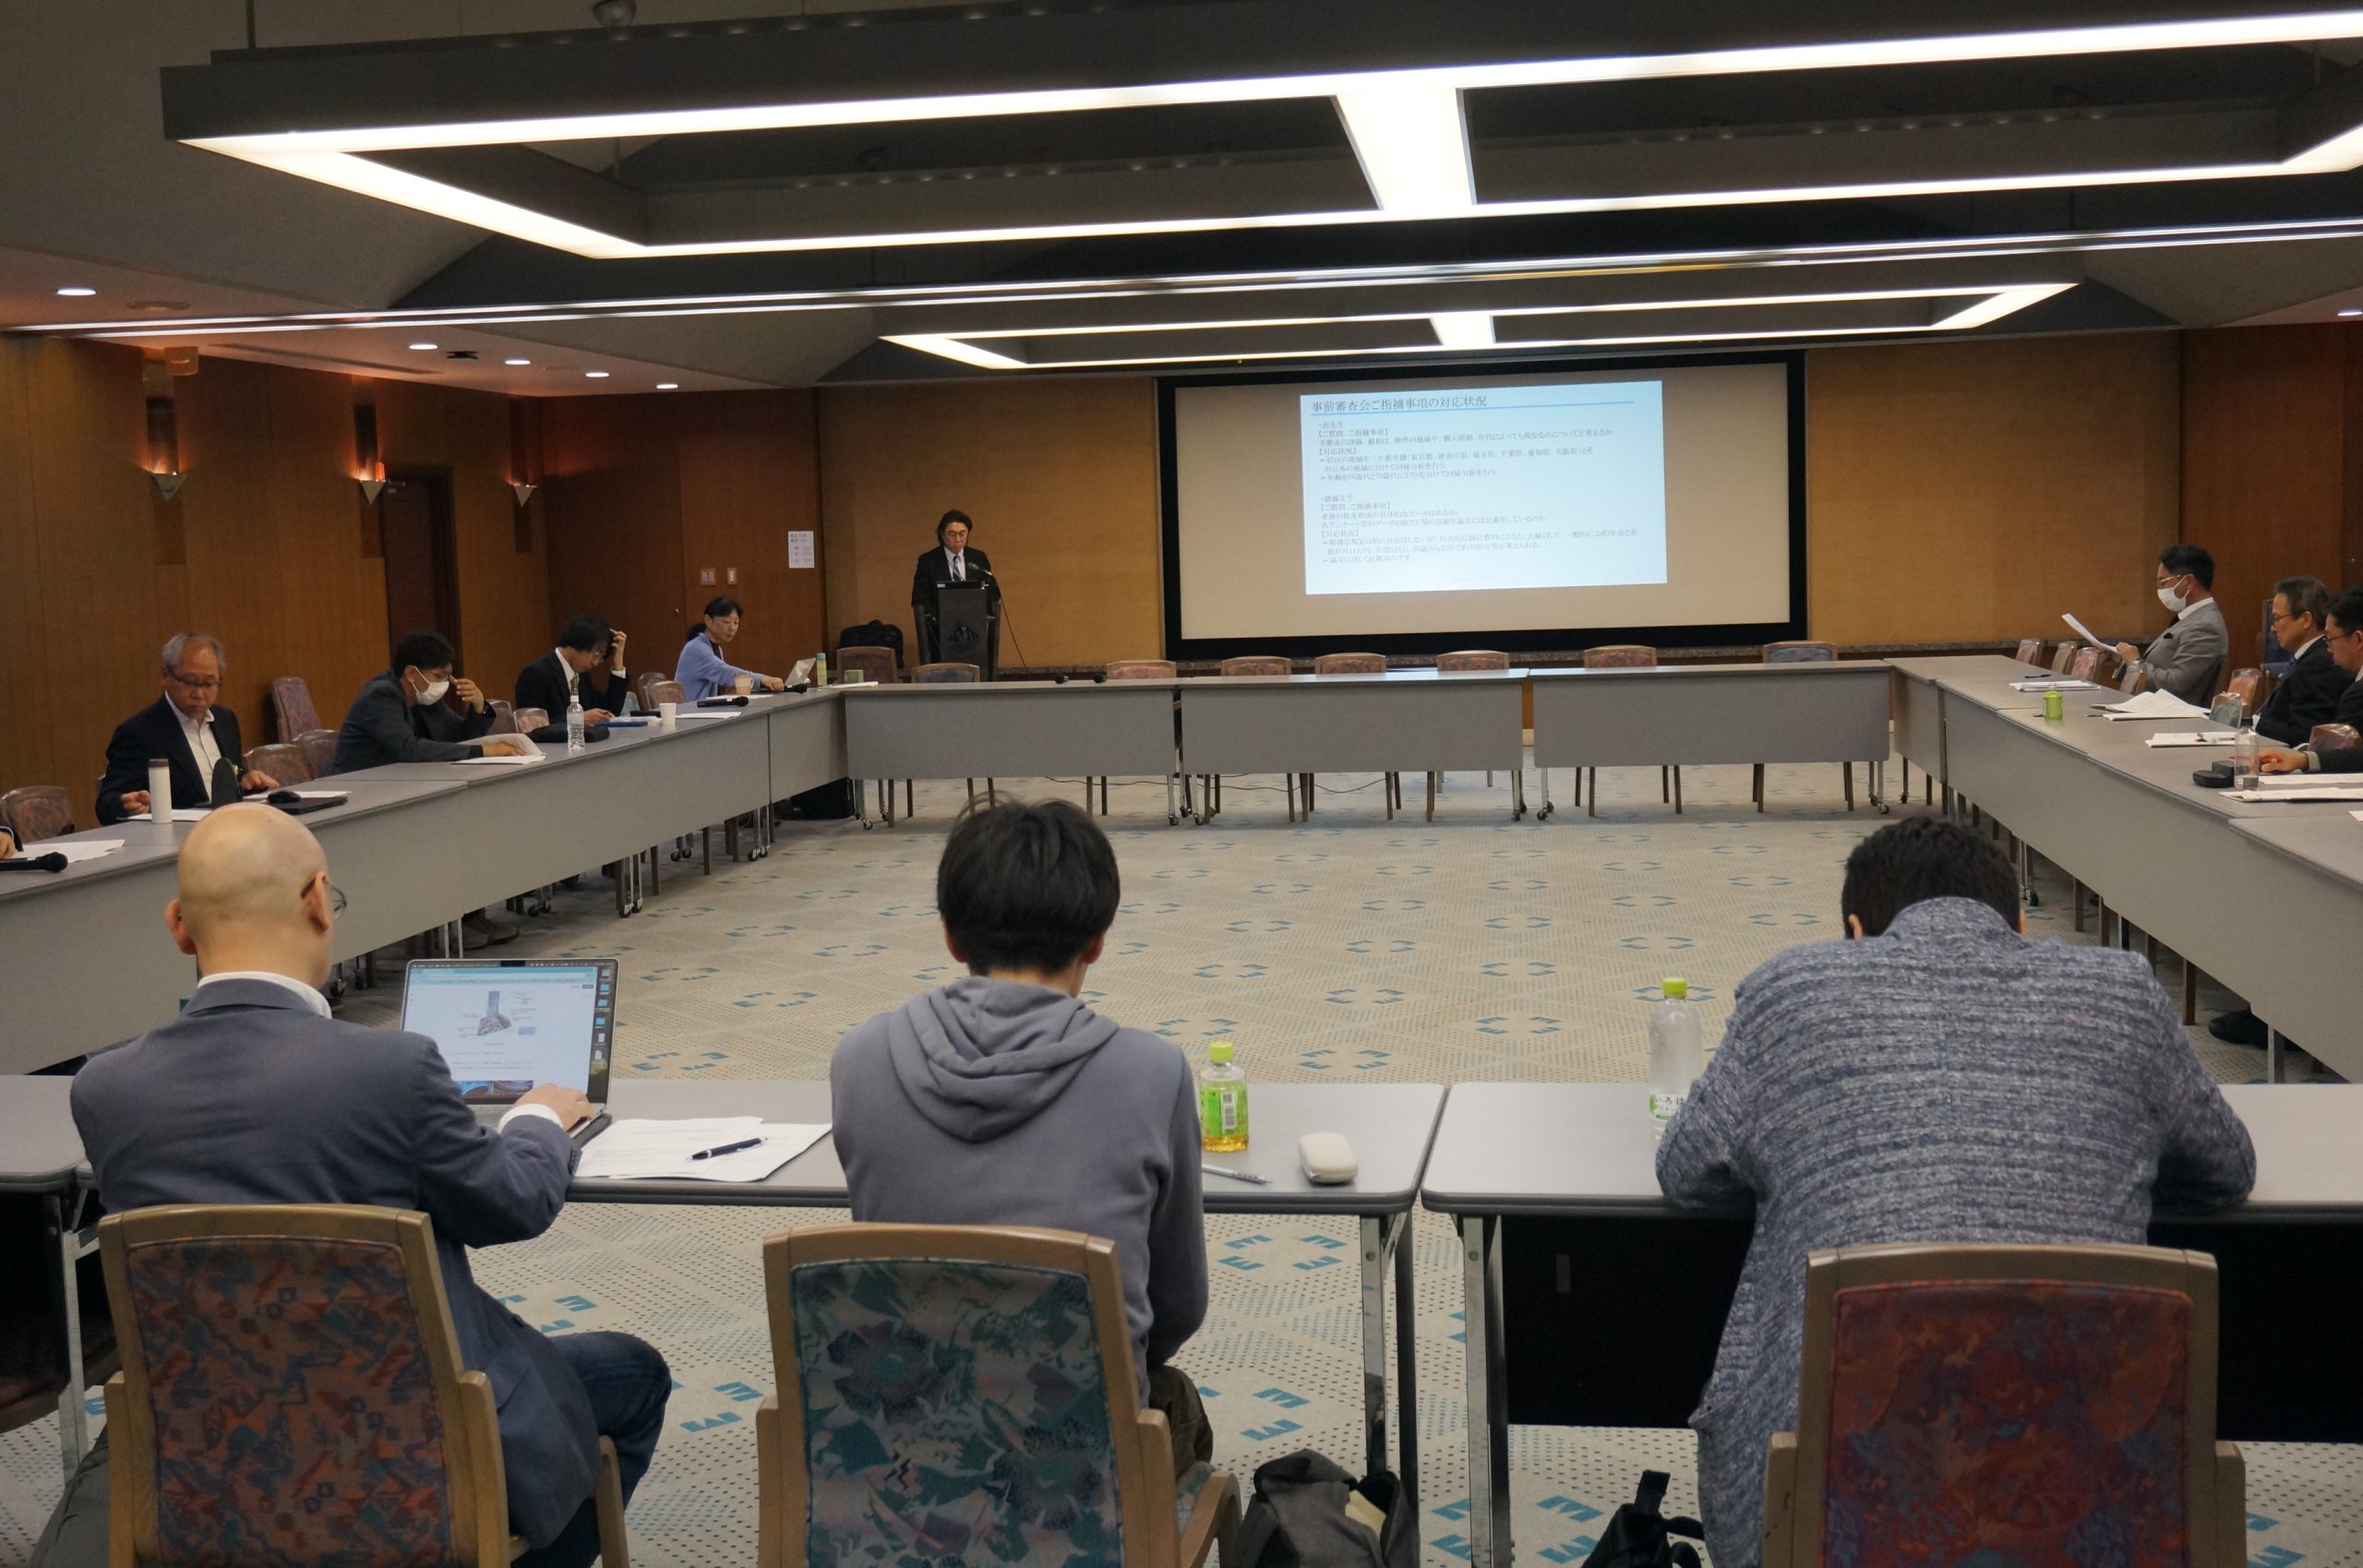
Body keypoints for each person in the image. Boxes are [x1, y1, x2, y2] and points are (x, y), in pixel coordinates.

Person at [44, 807, 668, 1568]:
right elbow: (512, 1202)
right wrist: (537, 1120)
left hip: (212, 1454)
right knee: (634, 1373)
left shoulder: (106, 1089)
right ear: (317, 900)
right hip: (409, 1449)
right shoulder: (392, 1070)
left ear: (179, 926)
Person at [1656, 816, 2254, 1568]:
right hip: (2098, 1499)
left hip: (1835, 1503)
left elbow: (1686, 1169)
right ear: (2018, 925)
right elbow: (2226, 1167)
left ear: (1854, 934)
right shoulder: (2124, 994)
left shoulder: (1791, 992)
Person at [830, 798, 1208, 1461]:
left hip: (901, 1453)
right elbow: (1177, 1304)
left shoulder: (858, 1059)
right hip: (1081, 1468)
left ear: (951, 936)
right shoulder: (1153, 1072)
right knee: (1172, 1397)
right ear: (1097, 940)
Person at [95, 632, 281, 824]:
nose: (199, 694)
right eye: (190, 682)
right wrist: (127, 805)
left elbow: (233, 774)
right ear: (165, 675)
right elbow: (106, 804)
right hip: (178, 837)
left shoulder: (226, 720)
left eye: (209, 684)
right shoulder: (139, 732)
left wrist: (247, 780)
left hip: (229, 828)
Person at [332, 630, 533, 772]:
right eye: (439, 676)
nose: (445, 683)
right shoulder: (380, 696)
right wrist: (483, 751)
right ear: (412, 674)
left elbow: (459, 739)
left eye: (448, 676)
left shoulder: (425, 697)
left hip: (401, 781)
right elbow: (409, 749)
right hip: (360, 786)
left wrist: (478, 707)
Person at [2262, 583, 2363, 774]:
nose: (2328, 648)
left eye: (2330, 639)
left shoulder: (2358, 693)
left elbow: (2344, 755)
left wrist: (2303, 759)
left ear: (2358, 639)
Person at [2113, 543, 2226, 706]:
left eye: (2163, 582)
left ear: (2188, 581)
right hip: (2152, 707)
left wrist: (2136, 663)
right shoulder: (2189, 618)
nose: (2160, 589)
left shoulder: (2206, 627)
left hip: (2172, 714)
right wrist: (2124, 660)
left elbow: (2173, 685)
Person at [2252, 575, 2345, 745]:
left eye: (2277, 618)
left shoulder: (2317, 665)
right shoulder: (2308, 657)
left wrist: (2252, 723)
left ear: (2306, 619)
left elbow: (2302, 737)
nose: (2272, 628)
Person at [909, 509, 1000, 663]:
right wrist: (938, 619)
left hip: (973, 630)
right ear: (942, 535)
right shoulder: (928, 561)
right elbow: (919, 598)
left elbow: (992, 593)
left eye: (962, 533)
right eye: (952, 534)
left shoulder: (978, 558)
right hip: (939, 632)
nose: (957, 539)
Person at [518, 616, 630, 724]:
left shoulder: (582, 675)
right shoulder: (535, 674)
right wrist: (577, 719)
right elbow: (531, 727)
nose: (595, 663)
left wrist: (618, 664)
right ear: (580, 640)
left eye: (601, 658)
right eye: (597, 652)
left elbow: (607, 713)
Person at [675, 595, 784, 700]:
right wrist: (762, 679)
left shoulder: (714, 647)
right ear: (708, 620)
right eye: (726, 622)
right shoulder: (696, 648)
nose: (732, 628)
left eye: (736, 622)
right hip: (691, 711)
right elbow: (724, 672)